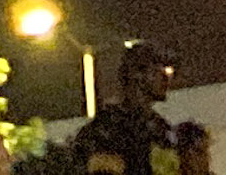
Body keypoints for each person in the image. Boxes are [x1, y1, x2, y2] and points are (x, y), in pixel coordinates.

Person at [72, 42, 177, 175]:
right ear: (137, 74)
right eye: (160, 71)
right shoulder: (106, 128)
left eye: (169, 72)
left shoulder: (161, 129)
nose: (166, 79)